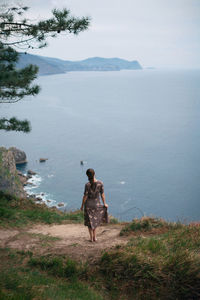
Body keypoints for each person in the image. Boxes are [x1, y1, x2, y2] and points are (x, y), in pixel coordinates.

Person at [80, 168, 108, 242]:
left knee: (89, 222)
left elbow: (85, 196)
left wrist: (82, 206)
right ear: (94, 174)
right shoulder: (100, 183)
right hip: (96, 204)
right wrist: (104, 203)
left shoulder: (87, 185)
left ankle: (91, 238)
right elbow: (102, 194)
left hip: (88, 205)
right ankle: (95, 237)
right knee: (94, 221)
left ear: (87, 175)